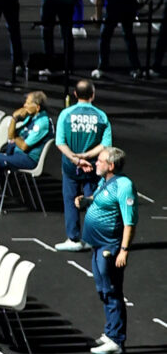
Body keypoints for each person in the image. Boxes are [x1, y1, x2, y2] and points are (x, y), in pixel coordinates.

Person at [83, 144, 135, 354]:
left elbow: (129, 222)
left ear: (111, 165)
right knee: (103, 290)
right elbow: (96, 200)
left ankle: (116, 340)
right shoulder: (105, 182)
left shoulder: (123, 186)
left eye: (100, 160)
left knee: (112, 290)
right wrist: (84, 201)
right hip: (97, 245)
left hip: (109, 247)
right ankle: (110, 331)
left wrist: (123, 250)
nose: (97, 162)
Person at [0, 88, 51, 214]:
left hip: (28, 159)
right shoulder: (31, 117)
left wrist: (14, 137)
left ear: (37, 107)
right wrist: (14, 118)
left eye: (28, 103)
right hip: (16, 153)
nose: (24, 106)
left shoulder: (42, 123)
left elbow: (24, 146)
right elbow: (11, 134)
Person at [52, 78, 111, 249]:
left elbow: (60, 142)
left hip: (70, 167)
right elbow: (105, 144)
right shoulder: (101, 116)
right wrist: (87, 155)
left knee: (70, 200)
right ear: (93, 95)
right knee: (93, 201)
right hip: (93, 166)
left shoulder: (65, 114)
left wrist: (76, 159)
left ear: (75, 94)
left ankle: (73, 239)